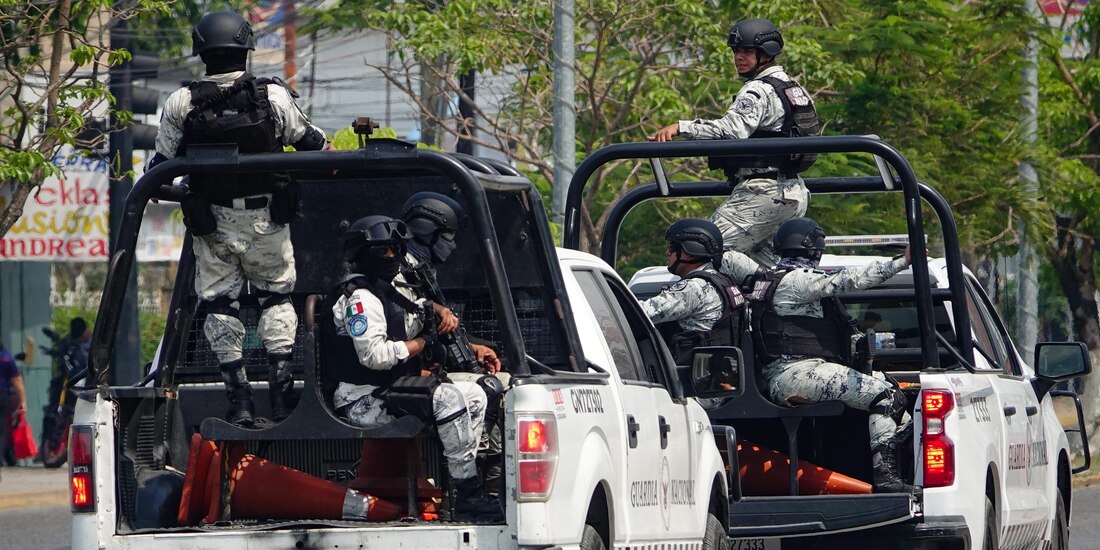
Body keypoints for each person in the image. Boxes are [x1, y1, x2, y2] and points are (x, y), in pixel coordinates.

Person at [150, 11, 331, 427]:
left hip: (211, 225)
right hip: (267, 218)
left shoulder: (182, 102)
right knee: (276, 298)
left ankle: (240, 402)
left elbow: (160, 166)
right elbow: (312, 143)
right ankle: (283, 399)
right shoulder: (272, 96)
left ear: (201, 53)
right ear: (246, 49)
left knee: (218, 305)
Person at [331, 215, 503, 522]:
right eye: (383, 251)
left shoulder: (388, 289)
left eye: (396, 248)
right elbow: (375, 357)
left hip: (390, 389)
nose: (392, 257)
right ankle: (467, 494)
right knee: (447, 398)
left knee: (476, 395)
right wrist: (421, 344)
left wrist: (436, 311)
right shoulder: (360, 299)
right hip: (362, 400)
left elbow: (414, 307)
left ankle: (465, 488)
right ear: (363, 254)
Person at [746, 217, 915, 493]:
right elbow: (849, 279)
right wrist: (901, 262)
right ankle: (886, 479)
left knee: (895, 396)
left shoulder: (774, 278)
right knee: (886, 397)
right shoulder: (797, 281)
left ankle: (902, 469)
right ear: (814, 249)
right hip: (795, 375)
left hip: (793, 374)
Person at [648, 18, 820, 268]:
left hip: (762, 193)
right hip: (791, 192)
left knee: (697, 252)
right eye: (737, 51)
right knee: (770, 273)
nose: (739, 57)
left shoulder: (758, 90)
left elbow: (731, 131)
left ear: (766, 53)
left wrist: (681, 127)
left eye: (748, 51)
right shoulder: (793, 88)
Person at [640, 219, 745, 365]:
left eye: (672, 248)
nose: (667, 253)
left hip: (692, 378)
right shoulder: (723, 282)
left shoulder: (694, 288)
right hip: (717, 373)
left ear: (689, 252)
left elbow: (641, 313)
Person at [0, 342, 27, 478]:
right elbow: (16, 380)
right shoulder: (6, 358)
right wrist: (22, 401)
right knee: (3, 429)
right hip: (2, 395)